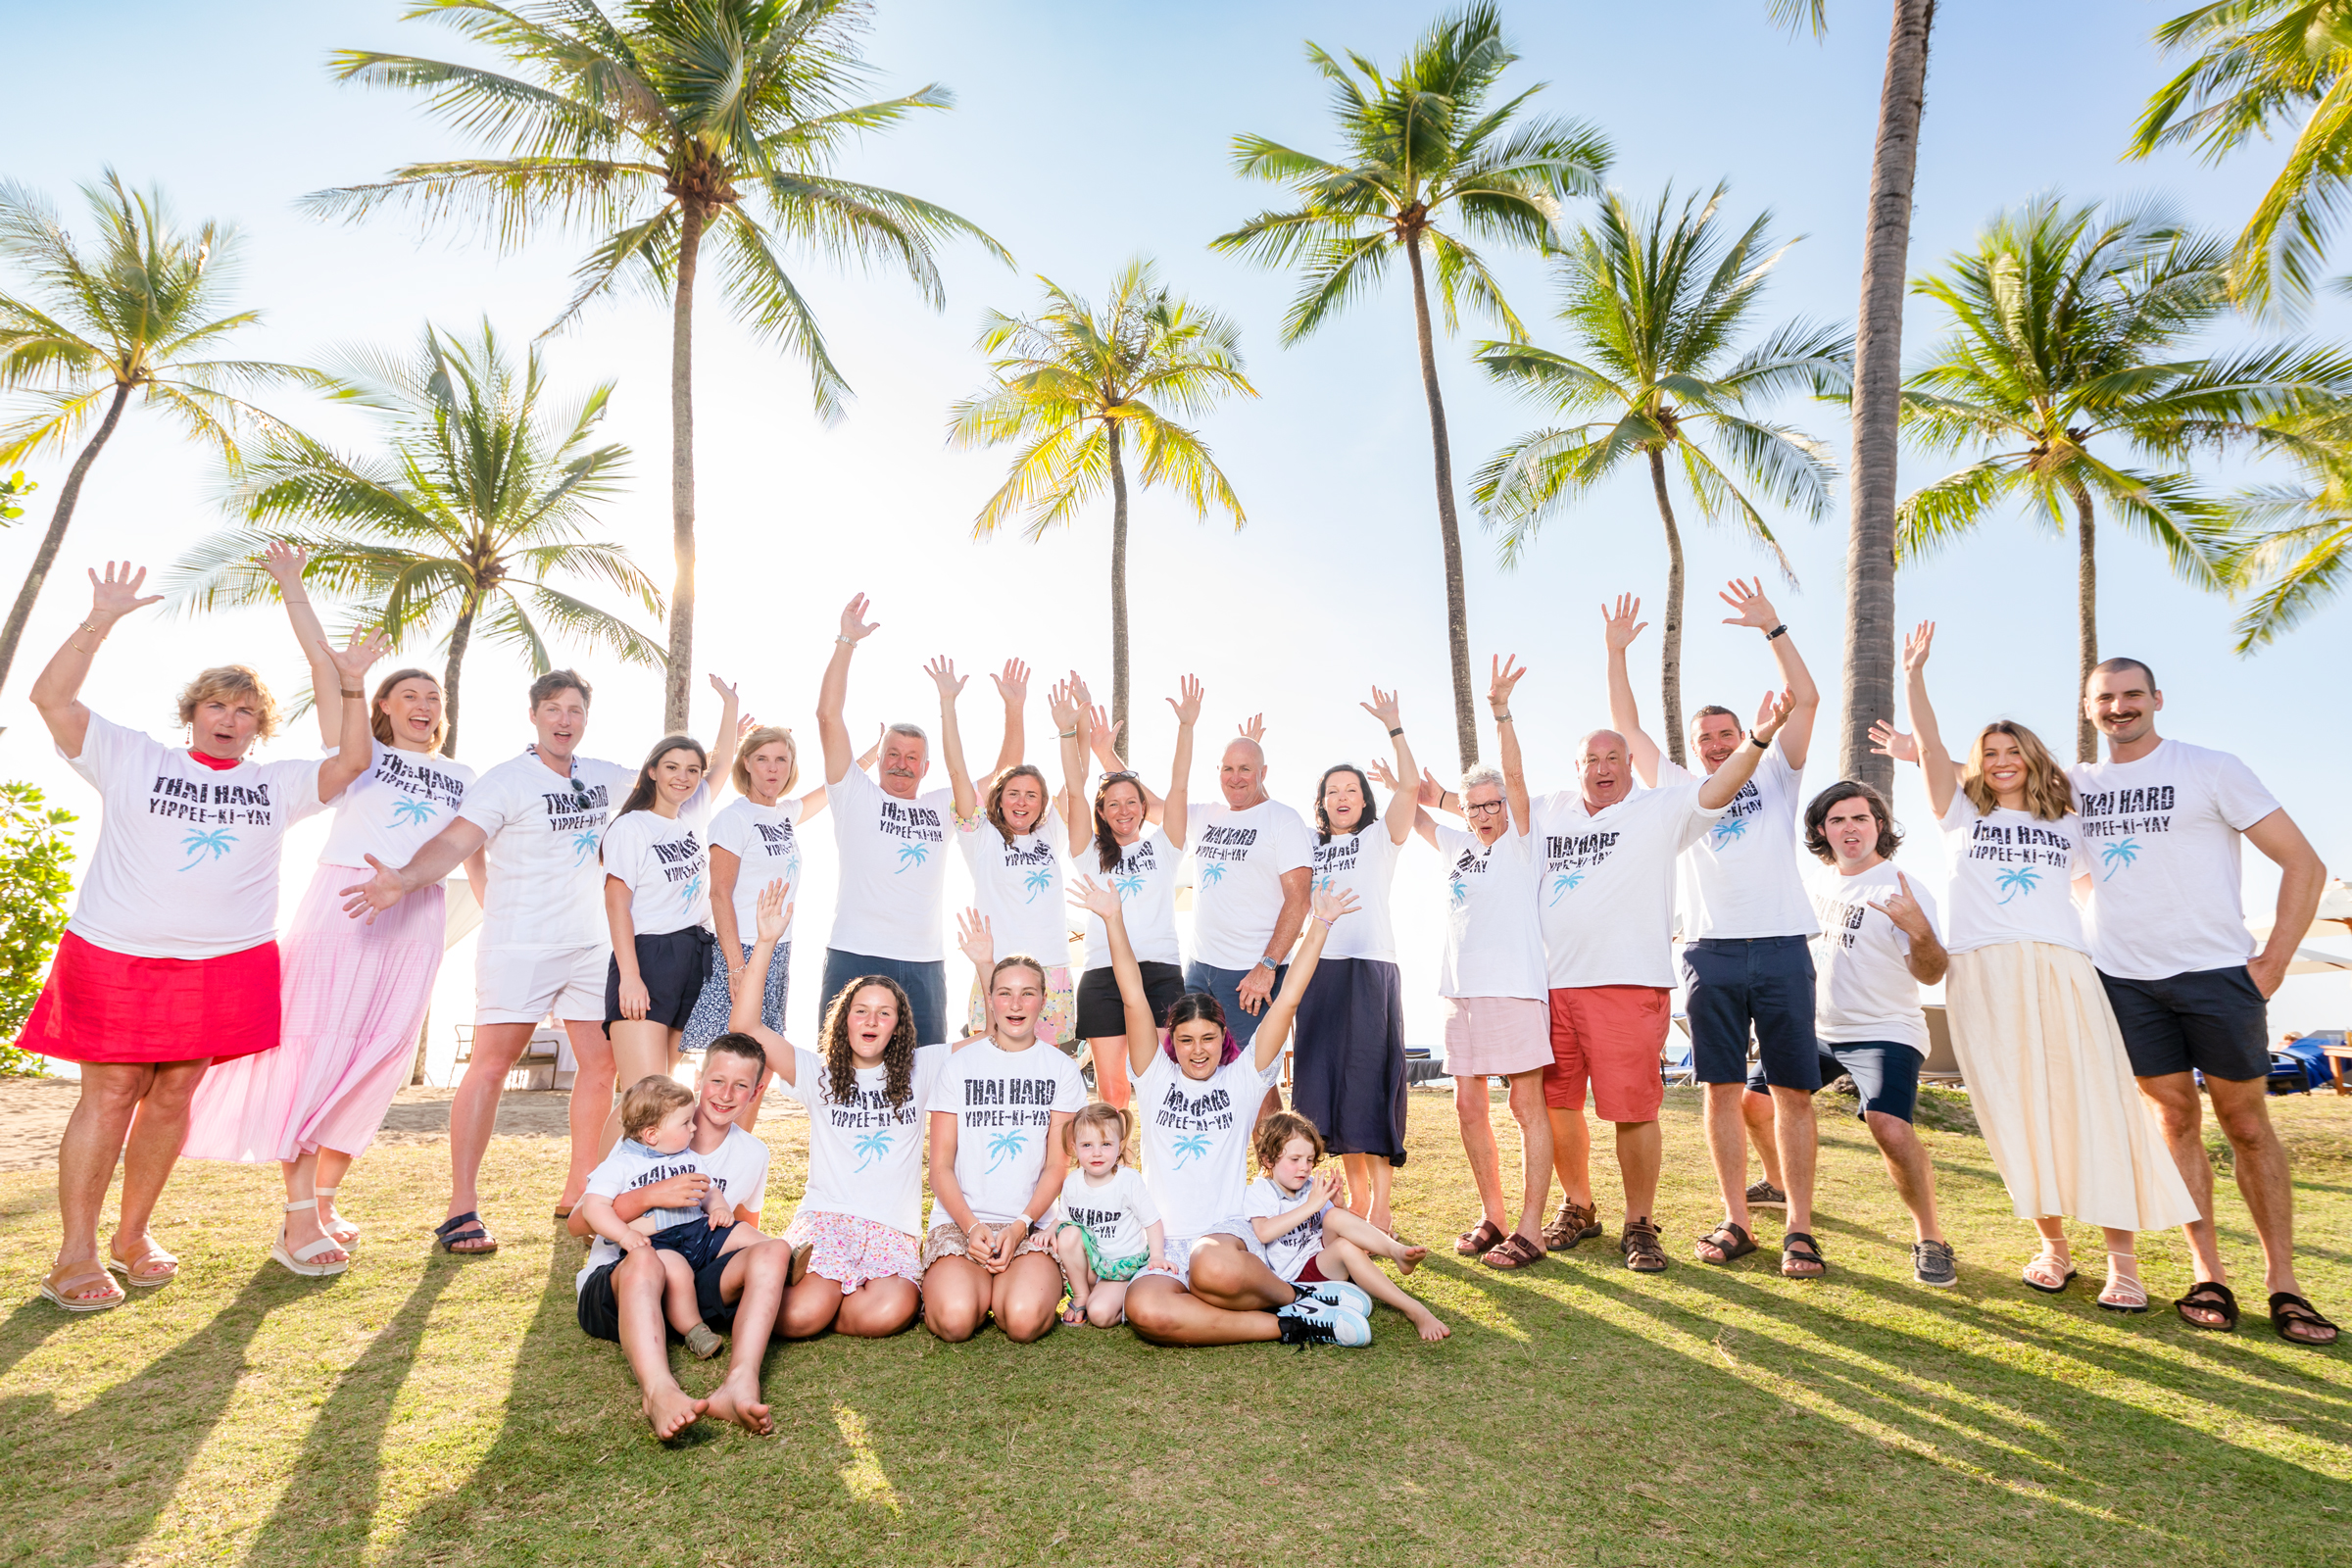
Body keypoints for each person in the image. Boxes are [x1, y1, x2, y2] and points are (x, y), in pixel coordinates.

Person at [25, 562, 381, 1310]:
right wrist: (102, 618)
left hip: (223, 963)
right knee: (114, 1088)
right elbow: (50, 698)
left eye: (245, 710)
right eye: (216, 704)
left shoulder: (273, 783)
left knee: (174, 1092)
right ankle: (75, 1255)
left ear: (260, 725)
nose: (229, 718)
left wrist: (352, 683)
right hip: (116, 952)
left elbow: (352, 761)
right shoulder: (133, 757)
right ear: (192, 712)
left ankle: (132, 1235)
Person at [1872, 622, 2197, 1310]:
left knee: (2095, 1105)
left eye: (2012, 750)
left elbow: (2108, 873)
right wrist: (1915, 675)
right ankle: (2053, 1247)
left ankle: (2124, 1263)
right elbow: (1929, 747)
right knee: (2016, 1113)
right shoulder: (1957, 812)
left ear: (2031, 757)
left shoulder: (2068, 817)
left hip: (2062, 968)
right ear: (1978, 763)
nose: (2000, 760)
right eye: (1990, 753)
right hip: (1983, 973)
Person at [182, 542, 483, 1275]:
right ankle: (294, 1218)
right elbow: (325, 669)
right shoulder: (361, 756)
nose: (423, 705)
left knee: (378, 1058)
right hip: (346, 906)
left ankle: (323, 1196)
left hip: (419, 914)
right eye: (407, 694)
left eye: (433, 697)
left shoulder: (462, 774)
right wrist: (293, 586)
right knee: (320, 1050)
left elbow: (473, 853)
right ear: (381, 706)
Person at [2072, 658, 2336, 1346]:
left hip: (2218, 975)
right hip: (2126, 983)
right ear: (2088, 706)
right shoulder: (2076, 787)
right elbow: (2052, 856)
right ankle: (2207, 1273)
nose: (2120, 708)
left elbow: (2304, 863)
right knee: (2173, 1121)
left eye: (2132, 695)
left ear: (2157, 700)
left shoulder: (2211, 768)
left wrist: (2272, 962)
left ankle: (2284, 1282)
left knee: (2247, 1125)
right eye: (2106, 698)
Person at [1499, 675, 1793, 1275]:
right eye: (1592, 759)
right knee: (1559, 1106)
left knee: (1634, 1110)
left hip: (1628, 984)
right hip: (1551, 988)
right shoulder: (1553, 810)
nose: (1603, 768)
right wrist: (1440, 789)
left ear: (1631, 764)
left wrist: (1760, 738)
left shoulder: (1660, 809)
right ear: (1576, 766)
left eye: (1614, 757)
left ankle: (1640, 1222)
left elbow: (1721, 784)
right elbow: (1503, 795)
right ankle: (1578, 1207)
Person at [341, 667, 640, 1252]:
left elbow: (680, 777)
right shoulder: (505, 781)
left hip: (590, 944)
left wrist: (730, 731)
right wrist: (403, 879)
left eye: (575, 710)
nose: (564, 720)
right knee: (490, 1068)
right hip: (519, 945)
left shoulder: (605, 776)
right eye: (553, 709)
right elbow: (457, 841)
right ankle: (462, 1208)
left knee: (600, 1067)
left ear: (586, 719)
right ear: (534, 715)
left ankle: (580, 1190)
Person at [1604, 585, 1829, 1277]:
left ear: (1744, 736)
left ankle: (1798, 1227)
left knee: (1792, 1091)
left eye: (1726, 736)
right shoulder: (1677, 787)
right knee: (1720, 1090)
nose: (1716, 746)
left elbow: (1809, 699)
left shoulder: (1780, 773)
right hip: (1709, 951)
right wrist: (1616, 653)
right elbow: (1628, 727)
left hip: (1784, 942)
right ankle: (1737, 1218)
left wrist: (1774, 629)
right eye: (1706, 740)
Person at [1075, 873, 1377, 1348]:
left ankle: (1292, 1293)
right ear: (1171, 1042)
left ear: (1224, 1038)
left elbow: (1288, 1000)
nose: (1198, 1052)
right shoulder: (1153, 1078)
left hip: (1224, 1238)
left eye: (1209, 1039)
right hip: (1164, 1246)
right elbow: (1133, 995)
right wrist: (1113, 918)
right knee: (1145, 1309)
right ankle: (1293, 1321)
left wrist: (1319, 922)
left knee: (1211, 1266)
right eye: (1186, 1040)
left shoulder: (1242, 1080)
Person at [1752, 782, 1959, 1286]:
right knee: (1751, 1103)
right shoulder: (1813, 883)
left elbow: (1931, 973)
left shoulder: (1903, 888)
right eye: (1838, 820)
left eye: (1861, 819)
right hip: (1815, 1028)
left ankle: (1930, 1237)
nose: (1850, 829)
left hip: (1884, 1029)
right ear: (1822, 830)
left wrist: (1920, 930)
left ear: (1879, 826)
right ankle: (1779, 1184)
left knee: (1889, 1126)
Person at [725, 880, 945, 1341]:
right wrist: (765, 941)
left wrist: (984, 964)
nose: (871, 1020)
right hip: (827, 1220)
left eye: (884, 1013)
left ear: (899, 1027)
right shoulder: (817, 1072)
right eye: (860, 1010)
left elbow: (992, 1036)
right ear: (843, 1019)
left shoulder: (922, 1068)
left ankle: (834, 1296)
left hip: (892, 1230)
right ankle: (820, 1292)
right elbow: (745, 1026)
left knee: (885, 1315)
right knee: (797, 1319)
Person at [1397, 657, 1555, 1270]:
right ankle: (1492, 1213)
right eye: (1476, 806)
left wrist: (1500, 710)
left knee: (1524, 1106)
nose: (1486, 812)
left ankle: (1531, 1227)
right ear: (1465, 809)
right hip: (1459, 995)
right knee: (1468, 1107)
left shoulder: (1523, 840)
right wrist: (1397, 734)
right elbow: (1409, 807)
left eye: (1493, 804)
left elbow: (1513, 772)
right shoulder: (1457, 844)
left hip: (1515, 990)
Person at [813, 595, 1019, 1046]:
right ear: (880, 760)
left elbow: (1006, 776)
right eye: (892, 755)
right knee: (839, 1070)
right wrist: (847, 640)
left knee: (924, 1074)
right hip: (854, 952)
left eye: (912, 758)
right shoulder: (853, 793)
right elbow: (828, 717)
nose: (901, 764)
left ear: (926, 767)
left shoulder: (942, 804)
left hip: (923, 961)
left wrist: (1013, 709)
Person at [568, 1034, 793, 1437]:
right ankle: (659, 1391)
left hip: (694, 1279)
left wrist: (732, 1224)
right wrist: (651, 1197)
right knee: (647, 1259)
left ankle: (740, 1381)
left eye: (741, 1085)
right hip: (626, 1280)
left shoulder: (753, 1153)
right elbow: (578, 1223)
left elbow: (740, 1224)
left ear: (756, 1091)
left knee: (772, 1249)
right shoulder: (640, 1139)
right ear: (699, 1078)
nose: (726, 1095)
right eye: (717, 1081)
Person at [1290, 688, 1417, 1233]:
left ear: (1365, 799)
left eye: (1351, 789)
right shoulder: (1308, 847)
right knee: (1328, 1088)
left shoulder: (1379, 839)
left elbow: (1410, 786)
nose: (1342, 797)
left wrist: (1393, 725)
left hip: (1369, 968)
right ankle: (1355, 1203)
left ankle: (1381, 1206)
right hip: (1317, 972)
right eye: (1332, 791)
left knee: (1370, 1084)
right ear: (1321, 802)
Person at [678, 718, 845, 1126]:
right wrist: (737, 966)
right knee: (730, 1065)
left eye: (782, 760)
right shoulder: (734, 818)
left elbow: (835, 788)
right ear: (747, 765)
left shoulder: (785, 814)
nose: (773, 768)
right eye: (763, 759)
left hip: (778, 950)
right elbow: (719, 894)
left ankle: (735, 1164)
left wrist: (873, 754)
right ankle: (706, 1163)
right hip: (743, 950)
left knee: (761, 1067)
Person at [597, 695, 744, 1152]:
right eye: (673, 767)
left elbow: (721, 768)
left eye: (692, 770)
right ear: (652, 771)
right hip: (648, 956)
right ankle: (594, 1199)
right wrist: (632, 978)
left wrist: (730, 710)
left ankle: (633, 1202)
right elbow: (616, 904)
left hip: (692, 956)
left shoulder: (691, 816)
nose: (684, 777)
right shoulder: (632, 828)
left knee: (665, 1093)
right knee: (642, 1097)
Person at [920, 944, 1088, 1344]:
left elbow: (1056, 1166)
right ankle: (967, 1287)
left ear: (1043, 1001)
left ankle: (1007, 1288)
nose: (1016, 1003)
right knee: (956, 1321)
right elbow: (940, 1166)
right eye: (1005, 993)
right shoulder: (958, 1066)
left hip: (1031, 1226)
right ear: (990, 1002)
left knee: (1024, 1322)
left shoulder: (1062, 1070)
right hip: (963, 1222)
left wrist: (1019, 1227)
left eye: (1028, 993)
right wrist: (971, 1225)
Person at [1181, 699, 1314, 1121]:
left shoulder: (1282, 819)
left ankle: (1278, 1179)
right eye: (1227, 768)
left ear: (1263, 774)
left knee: (1253, 1079)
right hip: (1199, 968)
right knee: (1200, 1073)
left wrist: (1268, 965)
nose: (1235, 778)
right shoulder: (1205, 815)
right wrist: (1104, 755)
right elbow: (1138, 803)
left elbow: (1299, 898)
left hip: (1250, 974)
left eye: (1245, 769)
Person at [1070, 674, 1197, 1110]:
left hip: (1159, 972)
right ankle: (1117, 1172)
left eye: (1132, 802)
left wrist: (1186, 727)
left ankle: (1162, 1173)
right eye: (1113, 804)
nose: (1123, 810)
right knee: (1113, 1092)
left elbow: (1178, 788)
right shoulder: (1089, 853)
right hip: (1102, 975)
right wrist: (1077, 727)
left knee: (1162, 1083)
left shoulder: (1164, 847)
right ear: (1101, 813)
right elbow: (1073, 787)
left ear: (1144, 807)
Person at [946, 662, 1088, 1050]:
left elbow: (1079, 777)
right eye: (1013, 793)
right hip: (998, 972)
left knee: (1048, 1071)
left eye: (1032, 795)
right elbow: (958, 772)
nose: (1022, 802)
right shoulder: (981, 837)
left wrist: (1078, 723)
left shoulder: (1050, 833)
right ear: (998, 798)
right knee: (992, 1064)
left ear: (1042, 802)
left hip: (1052, 970)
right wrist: (948, 705)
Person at [576, 1075, 751, 1361]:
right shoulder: (621, 1165)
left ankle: (786, 1259)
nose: (694, 1127)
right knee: (677, 1271)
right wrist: (624, 1235)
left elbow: (708, 1190)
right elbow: (594, 1208)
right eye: (685, 1123)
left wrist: (719, 1207)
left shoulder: (687, 1157)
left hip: (698, 1230)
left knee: (741, 1232)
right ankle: (694, 1330)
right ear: (652, 1134)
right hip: (659, 1241)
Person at [1247, 1111, 1448, 1341]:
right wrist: (1311, 1206)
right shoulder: (1259, 1192)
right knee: (1345, 1247)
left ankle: (1396, 1252)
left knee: (1334, 1217)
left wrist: (1339, 1205)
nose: (1304, 1168)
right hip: (1295, 1277)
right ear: (1268, 1160)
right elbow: (1263, 1233)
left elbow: (1342, 1227)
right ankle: (1414, 1310)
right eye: (1295, 1160)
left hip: (1321, 1258)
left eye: (1310, 1160)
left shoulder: (1310, 1186)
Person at [1047, 1102, 1167, 1327]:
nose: (1097, 1153)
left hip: (1121, 1268)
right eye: (1087, 1145)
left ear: (1120, 1146)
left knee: (1100, 1315)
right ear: (1074, 1146)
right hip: (1092, 1266)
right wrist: (1048, 1231)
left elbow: (1152, 1222)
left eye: (1105, 1144)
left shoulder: (1128, 1181)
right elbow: (1063, 1219)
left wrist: (1157, 1256)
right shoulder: (1072, 1183)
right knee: (1068, 1234)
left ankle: (1126, 1295)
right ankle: (1082, 1294)